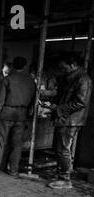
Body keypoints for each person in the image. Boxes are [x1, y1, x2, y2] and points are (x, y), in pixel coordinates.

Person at [43, 52, 92, 189]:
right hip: (66, 118)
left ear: (74, 65)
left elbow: (80, 102)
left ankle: (65, 179)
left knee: (63, 149)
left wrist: (58, 108)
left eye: (65, 68)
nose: (63, 70)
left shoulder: (83, 79)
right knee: (61, 148)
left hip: (71, 120)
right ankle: (61, 174)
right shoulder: (72, 78)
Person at [0, 56, 36, 176]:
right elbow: (33, 100)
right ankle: (13, 170)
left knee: (0, 142)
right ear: (25, 65)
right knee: (17, 144)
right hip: (22, 115)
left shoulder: (7, 80)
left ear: (12, 66)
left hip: (6, 113)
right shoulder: (30, 81)